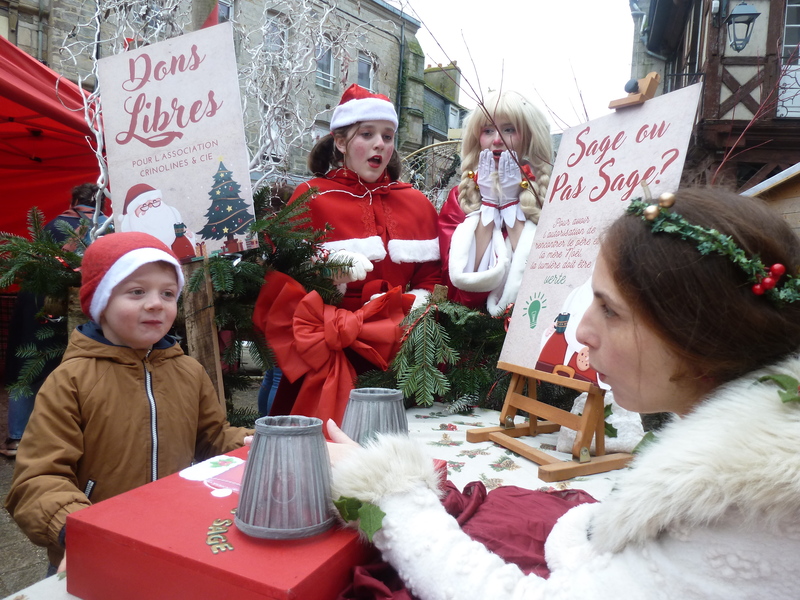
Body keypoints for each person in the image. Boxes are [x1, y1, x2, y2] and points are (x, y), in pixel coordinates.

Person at [328, 187, 800, 599]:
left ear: (698, 339)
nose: (582, 331)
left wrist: (389, 493)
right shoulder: (745, 448)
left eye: (610, 311)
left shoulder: (744, 515)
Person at [5, 231, 253, 572]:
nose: (156, 303)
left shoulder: (189, 371)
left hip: (173, 535)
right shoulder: (71, 380)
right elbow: (39, 477)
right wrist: (77, 529)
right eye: (137, 291)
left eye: (168, 293)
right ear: (102, 303)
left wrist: (252, 444)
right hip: (97, 548)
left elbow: (212, 437)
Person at [253, 84, 441, 425]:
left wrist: (410, 309)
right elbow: (284, 277)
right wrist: (328, 276)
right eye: (367, 134)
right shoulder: (311, 196)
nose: (380, 144)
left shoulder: (417, 203)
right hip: (329, 346)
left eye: (387, 136)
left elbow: (432, 277)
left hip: (400, 346)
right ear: (340, 142)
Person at [1, 183, 107, 458]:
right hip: (85, 308)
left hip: (37, 305)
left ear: (73, 201)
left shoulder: (52, 225)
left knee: (28, 364)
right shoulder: (107, 227)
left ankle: (17, 437)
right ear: (102, 202)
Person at [438, 90, 552, 315]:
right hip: (469, 324)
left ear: (529, 137)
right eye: (488, 130)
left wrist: (510, 204)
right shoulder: (459, 196)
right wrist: (489, 205)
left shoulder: (549, 195)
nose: (497, 140)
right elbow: (457, 283)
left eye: (509, 130)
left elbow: (544, 277)